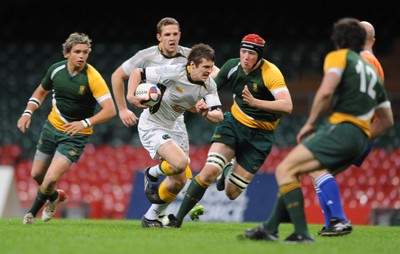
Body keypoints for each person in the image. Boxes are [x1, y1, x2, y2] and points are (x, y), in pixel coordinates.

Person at [243, 17, 393, 243]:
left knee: (287, 168)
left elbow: (325, 92)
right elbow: (387, 119)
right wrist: (363, 137)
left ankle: (327, 223)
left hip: (343, 128)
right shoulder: (374, 69)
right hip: (362, 134)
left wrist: (311, 122)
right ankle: (274, 227)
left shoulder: (343, 57)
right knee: (309, 171)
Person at [171, 33, 293, 227]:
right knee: (209, 171)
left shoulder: (271, 73)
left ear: (259, 56)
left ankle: (227, 169)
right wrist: (202, 102)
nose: (245, 57)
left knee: (231, 193)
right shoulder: (232, 66)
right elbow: (211, 88)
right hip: (234, 124)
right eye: (243, 51)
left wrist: (255, 102)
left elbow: (287, 106)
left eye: (251, 54)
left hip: (260, 137)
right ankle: (176, 219)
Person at [111, 17, 218, 227]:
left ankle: (151, 217)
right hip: (155, 116)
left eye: (175, 34)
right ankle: (153, 175)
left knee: (178, 177)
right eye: (167, 34)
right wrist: (125, 106)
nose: (172, 38)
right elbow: (118, 76)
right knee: (179, 164)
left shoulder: (191, 56)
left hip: (177, 119)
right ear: (159, 37)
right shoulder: (146, 56)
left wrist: (206, 103)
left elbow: (213, 73)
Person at [17, 32, 117, 225]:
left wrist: (85, 123)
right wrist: (27, 112)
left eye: (85, 52)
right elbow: (41, 91)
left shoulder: (93, 77)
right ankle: (54, 197)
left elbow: (111, 110)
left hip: (75, 135)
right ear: (67, 53)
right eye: (77, 52)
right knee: (36, 175)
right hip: (51, 128)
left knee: (50, 178)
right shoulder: (56, 70)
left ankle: (30, 215)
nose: (82, 56)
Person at [309, 20, 386, 237]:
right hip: (366, 130)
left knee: (317, 167)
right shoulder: (375, 63)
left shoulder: (361, 61)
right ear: (372, 40)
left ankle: (338, 221)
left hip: (354, 128)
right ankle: (332, 223)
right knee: (320, 171)